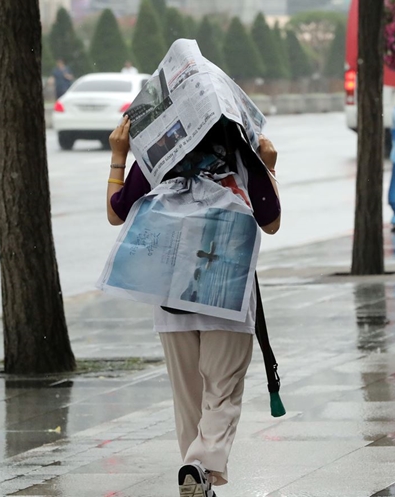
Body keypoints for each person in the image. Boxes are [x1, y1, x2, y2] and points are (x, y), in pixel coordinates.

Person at [106, 115, 280, 497]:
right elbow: (270, 222)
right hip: (227, 296)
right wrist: (267, 166)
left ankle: (195, 474)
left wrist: (119, 155)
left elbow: (117, 212)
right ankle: (198, 465)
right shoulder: (242, 152)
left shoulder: (159, 154)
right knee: (221, 393)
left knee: (188, 398)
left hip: (171, 297)